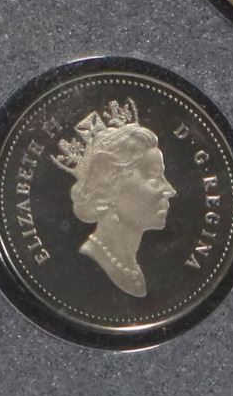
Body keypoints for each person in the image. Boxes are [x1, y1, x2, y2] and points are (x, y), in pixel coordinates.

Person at [52, 99, 175, 298]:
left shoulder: (132, 267)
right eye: (154, 177)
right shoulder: (87, 269)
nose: (170, 190)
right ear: (110, 186)